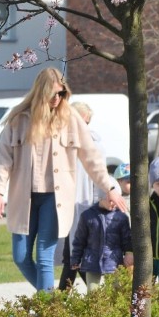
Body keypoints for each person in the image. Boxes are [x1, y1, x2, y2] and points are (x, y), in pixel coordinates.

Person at [0, 67, 126, 292]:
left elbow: (92, 157)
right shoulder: (18, 119)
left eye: (61, 94)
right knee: (21, 256)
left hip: (54, 199)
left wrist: (109, 187)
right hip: (24, 198)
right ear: (40, 92)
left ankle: (47, 310)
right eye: (53, 93)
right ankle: (52, 302)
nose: (57, 98)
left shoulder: (70, 118)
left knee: (45, 256)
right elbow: (3, 159)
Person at [57, 101, 100, 291]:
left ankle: (61, 302)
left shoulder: (92, 142)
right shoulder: (60, 139)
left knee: (73, 255)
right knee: (71, 255)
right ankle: (94, 297)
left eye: (86, 122)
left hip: (84, 204)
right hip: (67, 204)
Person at [70, 183, 133, 291]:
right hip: (92, 261)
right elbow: (79, 240)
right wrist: (75, 259)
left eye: (116, 201)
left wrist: (129, 253)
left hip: (114, 262)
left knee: (116, 293)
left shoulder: (121, 217)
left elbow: (127, 239)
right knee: (93, 293)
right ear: (100, 198)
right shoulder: (87, 216)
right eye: (110, 201)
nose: (113, 204)